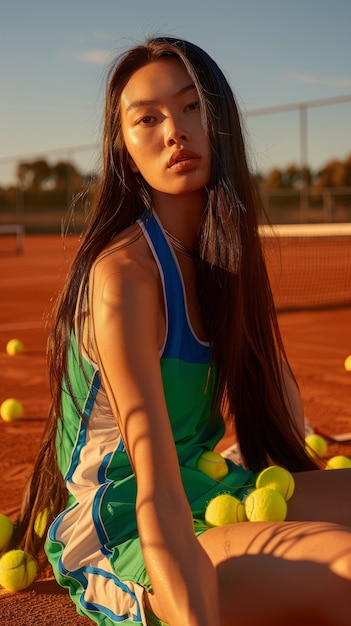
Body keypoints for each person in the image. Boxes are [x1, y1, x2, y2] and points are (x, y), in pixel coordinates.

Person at [10, 36, 351, 626]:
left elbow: (272, 389)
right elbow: (156, 487)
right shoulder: (124, 278)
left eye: (192, 106)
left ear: (220, 118)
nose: (174, 131)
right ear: (123, 146)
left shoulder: (226, 256)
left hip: (209, 485)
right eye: (147, 118)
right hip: (127, 527)